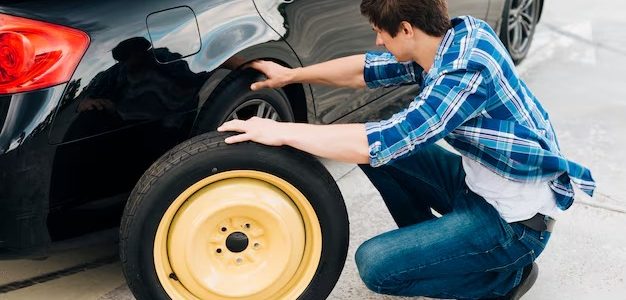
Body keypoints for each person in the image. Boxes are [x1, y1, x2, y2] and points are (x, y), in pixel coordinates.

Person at [217, 0, 596, 299]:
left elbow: (386, 137)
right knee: (370, 151)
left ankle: (500, 282)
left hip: (515, 225)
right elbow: (363, 70)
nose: (379, 41)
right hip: (477, 187)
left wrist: (280, 131)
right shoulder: (454, 39)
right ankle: (439, 246)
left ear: (406, 29)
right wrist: (291, 75)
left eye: (381, 33)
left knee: (376, 267)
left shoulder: (464, 74)